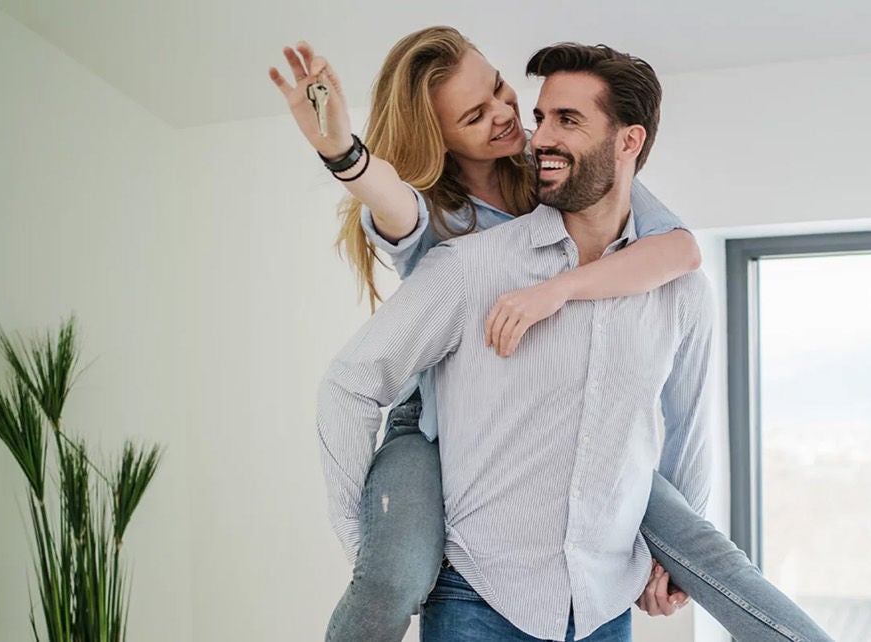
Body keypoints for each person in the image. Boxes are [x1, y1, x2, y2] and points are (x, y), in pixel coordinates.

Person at [273, 27, 833, 642]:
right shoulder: (452, 237)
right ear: (444, 136)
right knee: (393, 577)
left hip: (597, 601)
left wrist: (559, 289)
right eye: (477, 115)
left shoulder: (598, 211)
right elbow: (389, 205)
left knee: (712, 557)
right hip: (436, 445)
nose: (517, 122)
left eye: (503, 93)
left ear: (628, 141)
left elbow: (680, 260)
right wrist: (342, 153)